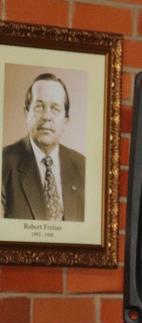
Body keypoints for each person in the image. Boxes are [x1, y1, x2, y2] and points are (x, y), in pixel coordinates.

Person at [2, 73, 86, 221]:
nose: (47, 116)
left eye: (55, 108)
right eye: (39, 107)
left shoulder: (82, 166)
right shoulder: (4, 163)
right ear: (26, 114)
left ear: (66, 120)